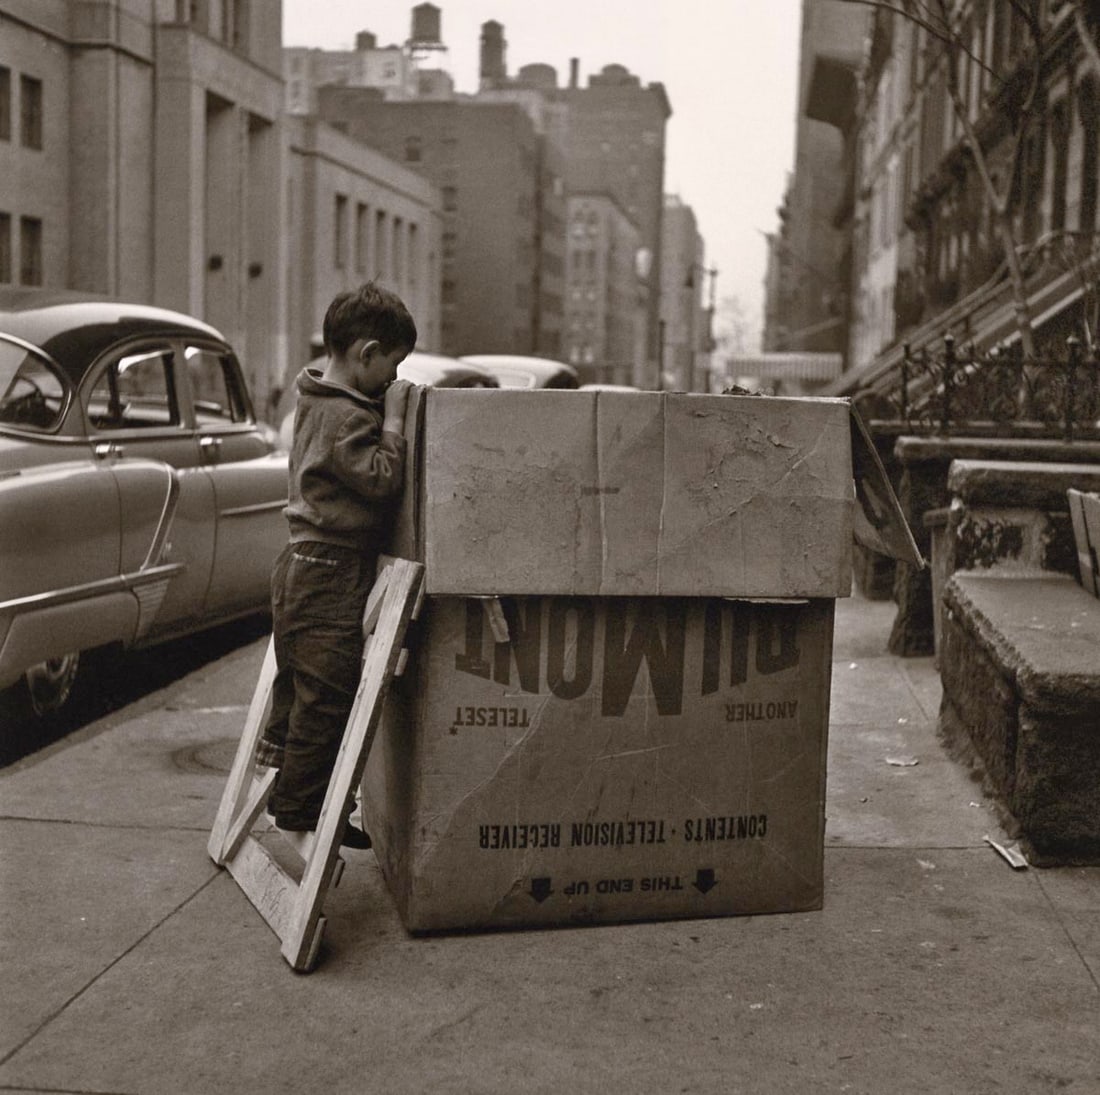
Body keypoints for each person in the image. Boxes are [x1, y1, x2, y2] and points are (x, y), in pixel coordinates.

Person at [256, 282, 416, 849]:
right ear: (366, 353)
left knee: (300, 684)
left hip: (301, 563)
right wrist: (393, 421)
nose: (394, 378)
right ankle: (300, 810)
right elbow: (381, 479)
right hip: (329, 567)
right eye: (393, 364)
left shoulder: (315, 398)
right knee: (328, 695)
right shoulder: (348, 418)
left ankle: (296, 788)